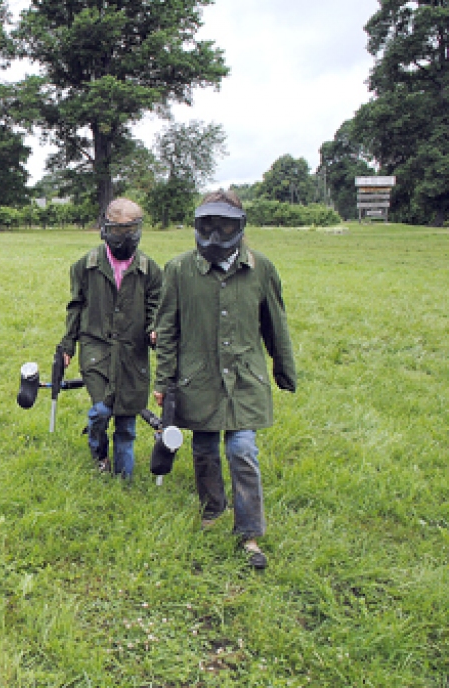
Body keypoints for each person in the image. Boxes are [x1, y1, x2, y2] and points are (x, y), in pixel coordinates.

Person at [153, 190, 296, 570]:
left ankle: (249, 532)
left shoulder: (260, 268)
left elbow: (275, 325)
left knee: (242, 450)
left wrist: (284, 369)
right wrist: (163, 382)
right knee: (203, 450)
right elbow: (166, 330)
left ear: (240, 226)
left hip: (244, 379)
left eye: (225, 225)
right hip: (196, 379)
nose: (215, 234)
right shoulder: (179, 270)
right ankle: (212, 509)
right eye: (208, 224)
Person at [60, 198, 162, 478]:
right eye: (118, 231)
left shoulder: (150, 270)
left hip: (133, 354)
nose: (124, 238)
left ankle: (123, 480)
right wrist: (68, 345)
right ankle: (98, 449)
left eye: (130, 231)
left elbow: (156, 307)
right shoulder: (86, 266)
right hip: (96, 350)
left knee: (127, 423)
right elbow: (76, 306)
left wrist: (155, 329)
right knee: (101, 410)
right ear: (106, 228)